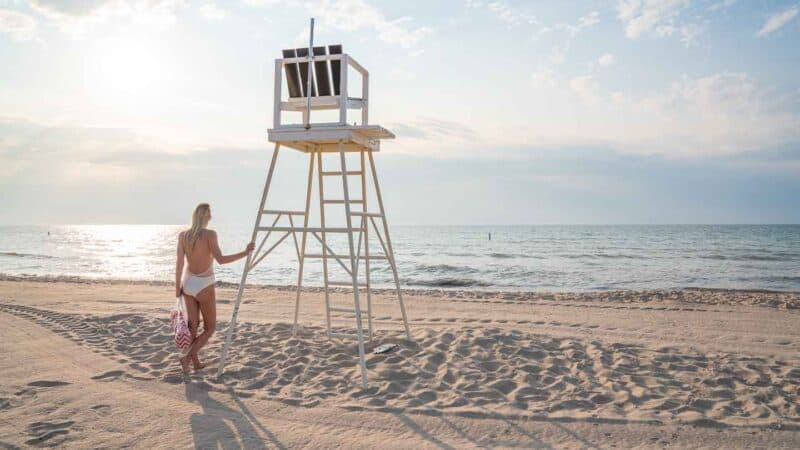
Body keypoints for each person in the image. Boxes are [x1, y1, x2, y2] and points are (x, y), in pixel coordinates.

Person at [176, 203, 254, 373]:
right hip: (204, 284)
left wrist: (177, 289)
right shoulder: (211, 235)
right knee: (210, 327)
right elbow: (221, 260)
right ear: (208, 217)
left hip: (187, 283)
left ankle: (194, 362)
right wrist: (245, 252)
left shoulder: (183, 236)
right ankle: (188, 355)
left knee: (193, 326)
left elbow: (180, 263)